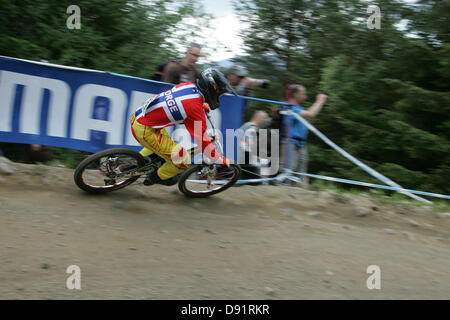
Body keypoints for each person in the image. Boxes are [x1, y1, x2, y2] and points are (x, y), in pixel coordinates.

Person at [130, 68, 236, 186]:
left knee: (162, 146)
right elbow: (202, 143)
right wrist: (219, 159)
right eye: (219, 94)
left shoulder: (188, 86)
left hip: (140, 118)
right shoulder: (195, 109)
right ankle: (155, 177)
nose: (218, 97)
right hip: (145, 129)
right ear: (211, 90)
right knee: (183, 160)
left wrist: (202, 106)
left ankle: (133, 164)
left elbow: (184, 105)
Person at [281, 84, 328, 187]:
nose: (305, 96)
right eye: (303, 94)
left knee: (301, 175)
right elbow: (310, 114)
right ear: (295, 94)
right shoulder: (289, 107)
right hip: (290, 143)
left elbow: (308, 113)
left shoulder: (298, 108)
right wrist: (320, 101)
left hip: (301, 144)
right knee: (288, 174)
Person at [238, 111, 269, 182]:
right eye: (264, 118)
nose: (265, 121)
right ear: (259, 118)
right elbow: (249, 144)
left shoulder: (245, 126)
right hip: (249, 162)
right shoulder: (251, 128)